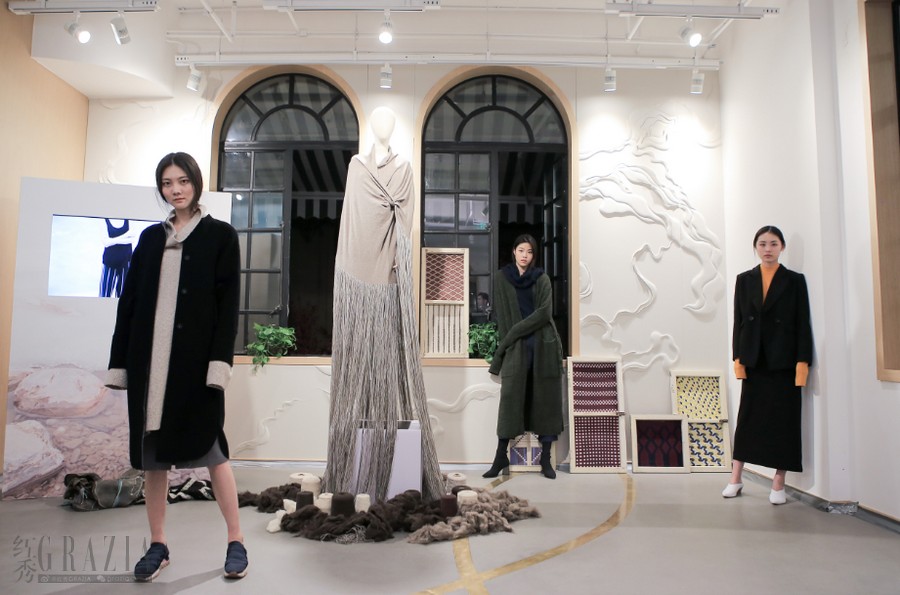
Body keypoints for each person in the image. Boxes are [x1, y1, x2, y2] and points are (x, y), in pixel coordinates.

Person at [105, 152, 247, 580]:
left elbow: (228, 308)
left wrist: (219, 365)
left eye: (183, 181)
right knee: (153, 462)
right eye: (167, 183)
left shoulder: (220, 236)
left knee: (214, 454)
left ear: (196, 183)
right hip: (150, 367)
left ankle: (236, 540)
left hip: (194, 368)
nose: (176, 190)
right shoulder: (150, 239)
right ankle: (158, 544)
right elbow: (128, 304)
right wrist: (119, 363)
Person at [325, 107, 444, 501]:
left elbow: (405, 218)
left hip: (391, 274)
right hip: (357, 268)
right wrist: (346, 264)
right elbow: (351, 217)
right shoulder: (357, 167)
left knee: (389, 355)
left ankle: (392, 467)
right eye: (377, 121)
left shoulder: (404, 168)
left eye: (389, 121)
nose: (382, 126)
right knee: (357, 358)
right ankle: (349, 469)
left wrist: (399, 258)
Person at [723, 225, 812, 505]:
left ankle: (778, 482)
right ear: (756, 247)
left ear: (782, 247)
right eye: (762, 244)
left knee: (784, 422)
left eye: (773, 244)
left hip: (784, 361)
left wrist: (803, 363)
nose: (768, 249)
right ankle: (735, 478)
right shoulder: (744, 279)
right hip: (754, 359)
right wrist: (738, 359)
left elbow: (802, 322)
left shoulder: (794, 280)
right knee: (748, 419)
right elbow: (738, 321)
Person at [485, 234, 564, 479]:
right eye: (521, 250)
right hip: (518, 347)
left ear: (533, 255)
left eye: (529, 252)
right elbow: (502, 316)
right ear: (514, 251)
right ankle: (500, 456)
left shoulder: (542, 279)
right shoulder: (502, 278)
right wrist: (509, 342)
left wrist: (511, 335)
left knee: (545, 401)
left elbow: (544, 314)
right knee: (510, 399)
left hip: (543, 345)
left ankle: (545, 459)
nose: (525, 256)